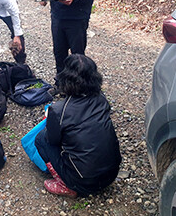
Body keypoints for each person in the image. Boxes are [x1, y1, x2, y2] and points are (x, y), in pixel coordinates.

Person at [35, 54, 121, 197]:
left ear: (66, 78)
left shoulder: (59, 110)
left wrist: (53, 122)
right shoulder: (101, 99)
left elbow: (53, 140)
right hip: (111, 174)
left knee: (41, 138)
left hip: (83, 183)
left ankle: (66, 184)